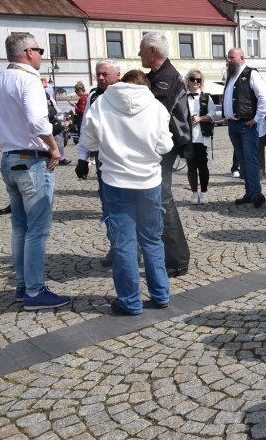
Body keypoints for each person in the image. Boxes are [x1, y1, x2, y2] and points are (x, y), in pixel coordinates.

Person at [0, 33, 70, 310]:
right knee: (37, 231)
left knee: (19, 227)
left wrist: (3, 140)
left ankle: (23, 285)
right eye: (39, 50)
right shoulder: (28, 80)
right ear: (28, 52)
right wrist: (53, 148)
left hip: (10, 159)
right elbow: (37, 121)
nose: (41, 55)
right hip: (32, 160)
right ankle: (35, 291)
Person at [80, 70, 172, 315]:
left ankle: (130, 302)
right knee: (152, 240)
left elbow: (88, 142)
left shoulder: (101, 103)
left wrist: (112, 145)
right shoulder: (155, 107)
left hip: (116, 181)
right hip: (148, 181)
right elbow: (165, 145)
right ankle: (160, 293)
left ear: (122, 84)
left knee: (124, 243)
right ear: (146, 86)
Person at [139, 31, 192, 277]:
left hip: (164, 148)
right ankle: (164, 253)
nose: (138, 53)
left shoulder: (166, 79)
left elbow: (155, 117)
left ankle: (177, 259)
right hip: (157, 148)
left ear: (152, 51)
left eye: (141, 49)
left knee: (162, 198)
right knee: (156, 199)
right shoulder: (156, 77)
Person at [75, 60, 122, 266]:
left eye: (105, 74)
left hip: (124, 160)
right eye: (98, 74)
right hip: (103, 161)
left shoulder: (126, 94)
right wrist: (82, 158)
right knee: (108, 205)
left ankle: (134, 246)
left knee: (131, 206)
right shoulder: (93, 96)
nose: (101, 78)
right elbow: (86, 129)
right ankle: (116, 245)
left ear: (117, 75)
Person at [224, 47, 266, 208]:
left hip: (246, 125)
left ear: (242, 58)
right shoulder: (231, 76)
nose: (228, 60)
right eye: (228, 57)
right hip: (233, 124)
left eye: (231, 57)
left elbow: (263, 97)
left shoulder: (252, 74)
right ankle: (249, 192)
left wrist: (257, 118)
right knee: (242, 160)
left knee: (250, 159)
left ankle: (256, 192)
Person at [184, 69, 216, 205]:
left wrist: (199, 118)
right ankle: (194, 193)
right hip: (187, 137)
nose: (195, 82)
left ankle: (203, 192)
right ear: (188, 81)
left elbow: (213, 114)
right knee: (191, 167)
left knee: (203, 165)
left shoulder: (206, 97)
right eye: (192, 79)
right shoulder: (183, 97)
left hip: (202, 136)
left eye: (198, 80)